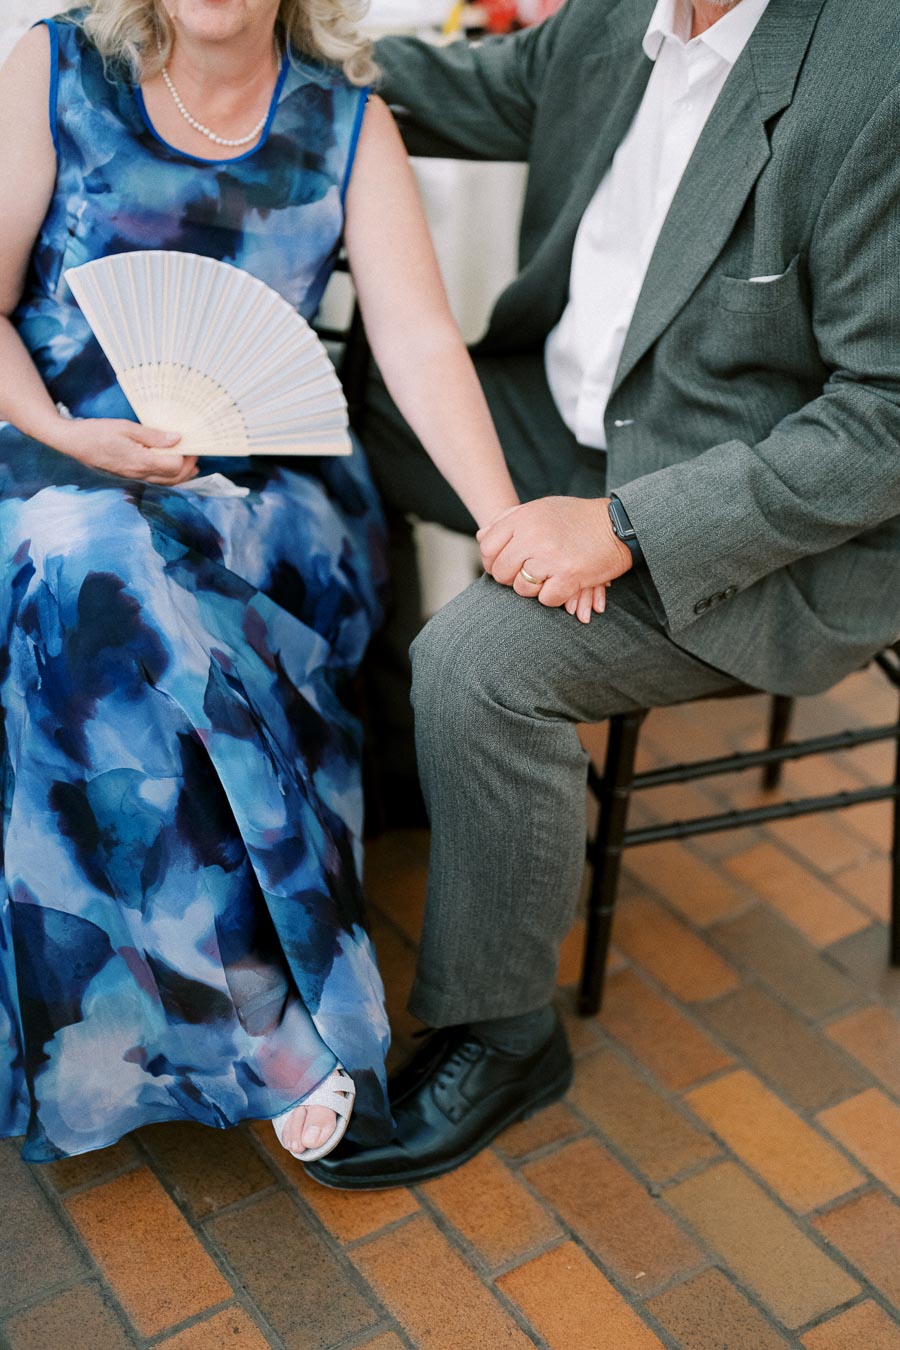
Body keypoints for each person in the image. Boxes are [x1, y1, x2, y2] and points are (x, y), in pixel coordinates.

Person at [303, 0, 900, 1191]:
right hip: (576, 415)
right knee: (331, 421)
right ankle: (406, 767)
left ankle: (508, 1031)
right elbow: (458, 86)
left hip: (757, 520)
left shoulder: (876, 67)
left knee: (481, 663)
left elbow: (884, 420)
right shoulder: (621, 13)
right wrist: (260, 35)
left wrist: (625, 529)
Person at [0, 0, 553, 1164]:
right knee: (88, 556)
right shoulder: (53, 67)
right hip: (53, 454)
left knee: (118, 572)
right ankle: (274, 1020)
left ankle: (199, 1019)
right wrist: (65, 428)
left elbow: (417, 343)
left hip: (263, 493)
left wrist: (506, 521)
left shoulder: (349, 124)